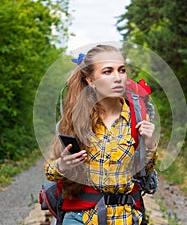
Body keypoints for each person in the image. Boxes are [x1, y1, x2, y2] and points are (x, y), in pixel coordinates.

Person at [44, 44, 157, 225]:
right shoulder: (76, 119)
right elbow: (50, 171)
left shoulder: (137, 118)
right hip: (80, 217)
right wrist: (63, 165)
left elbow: (144, 172)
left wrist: (150, 146)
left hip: (125, 218)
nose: (118, 78)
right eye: (107, 72)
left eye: (121, 70)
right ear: (90, 80)